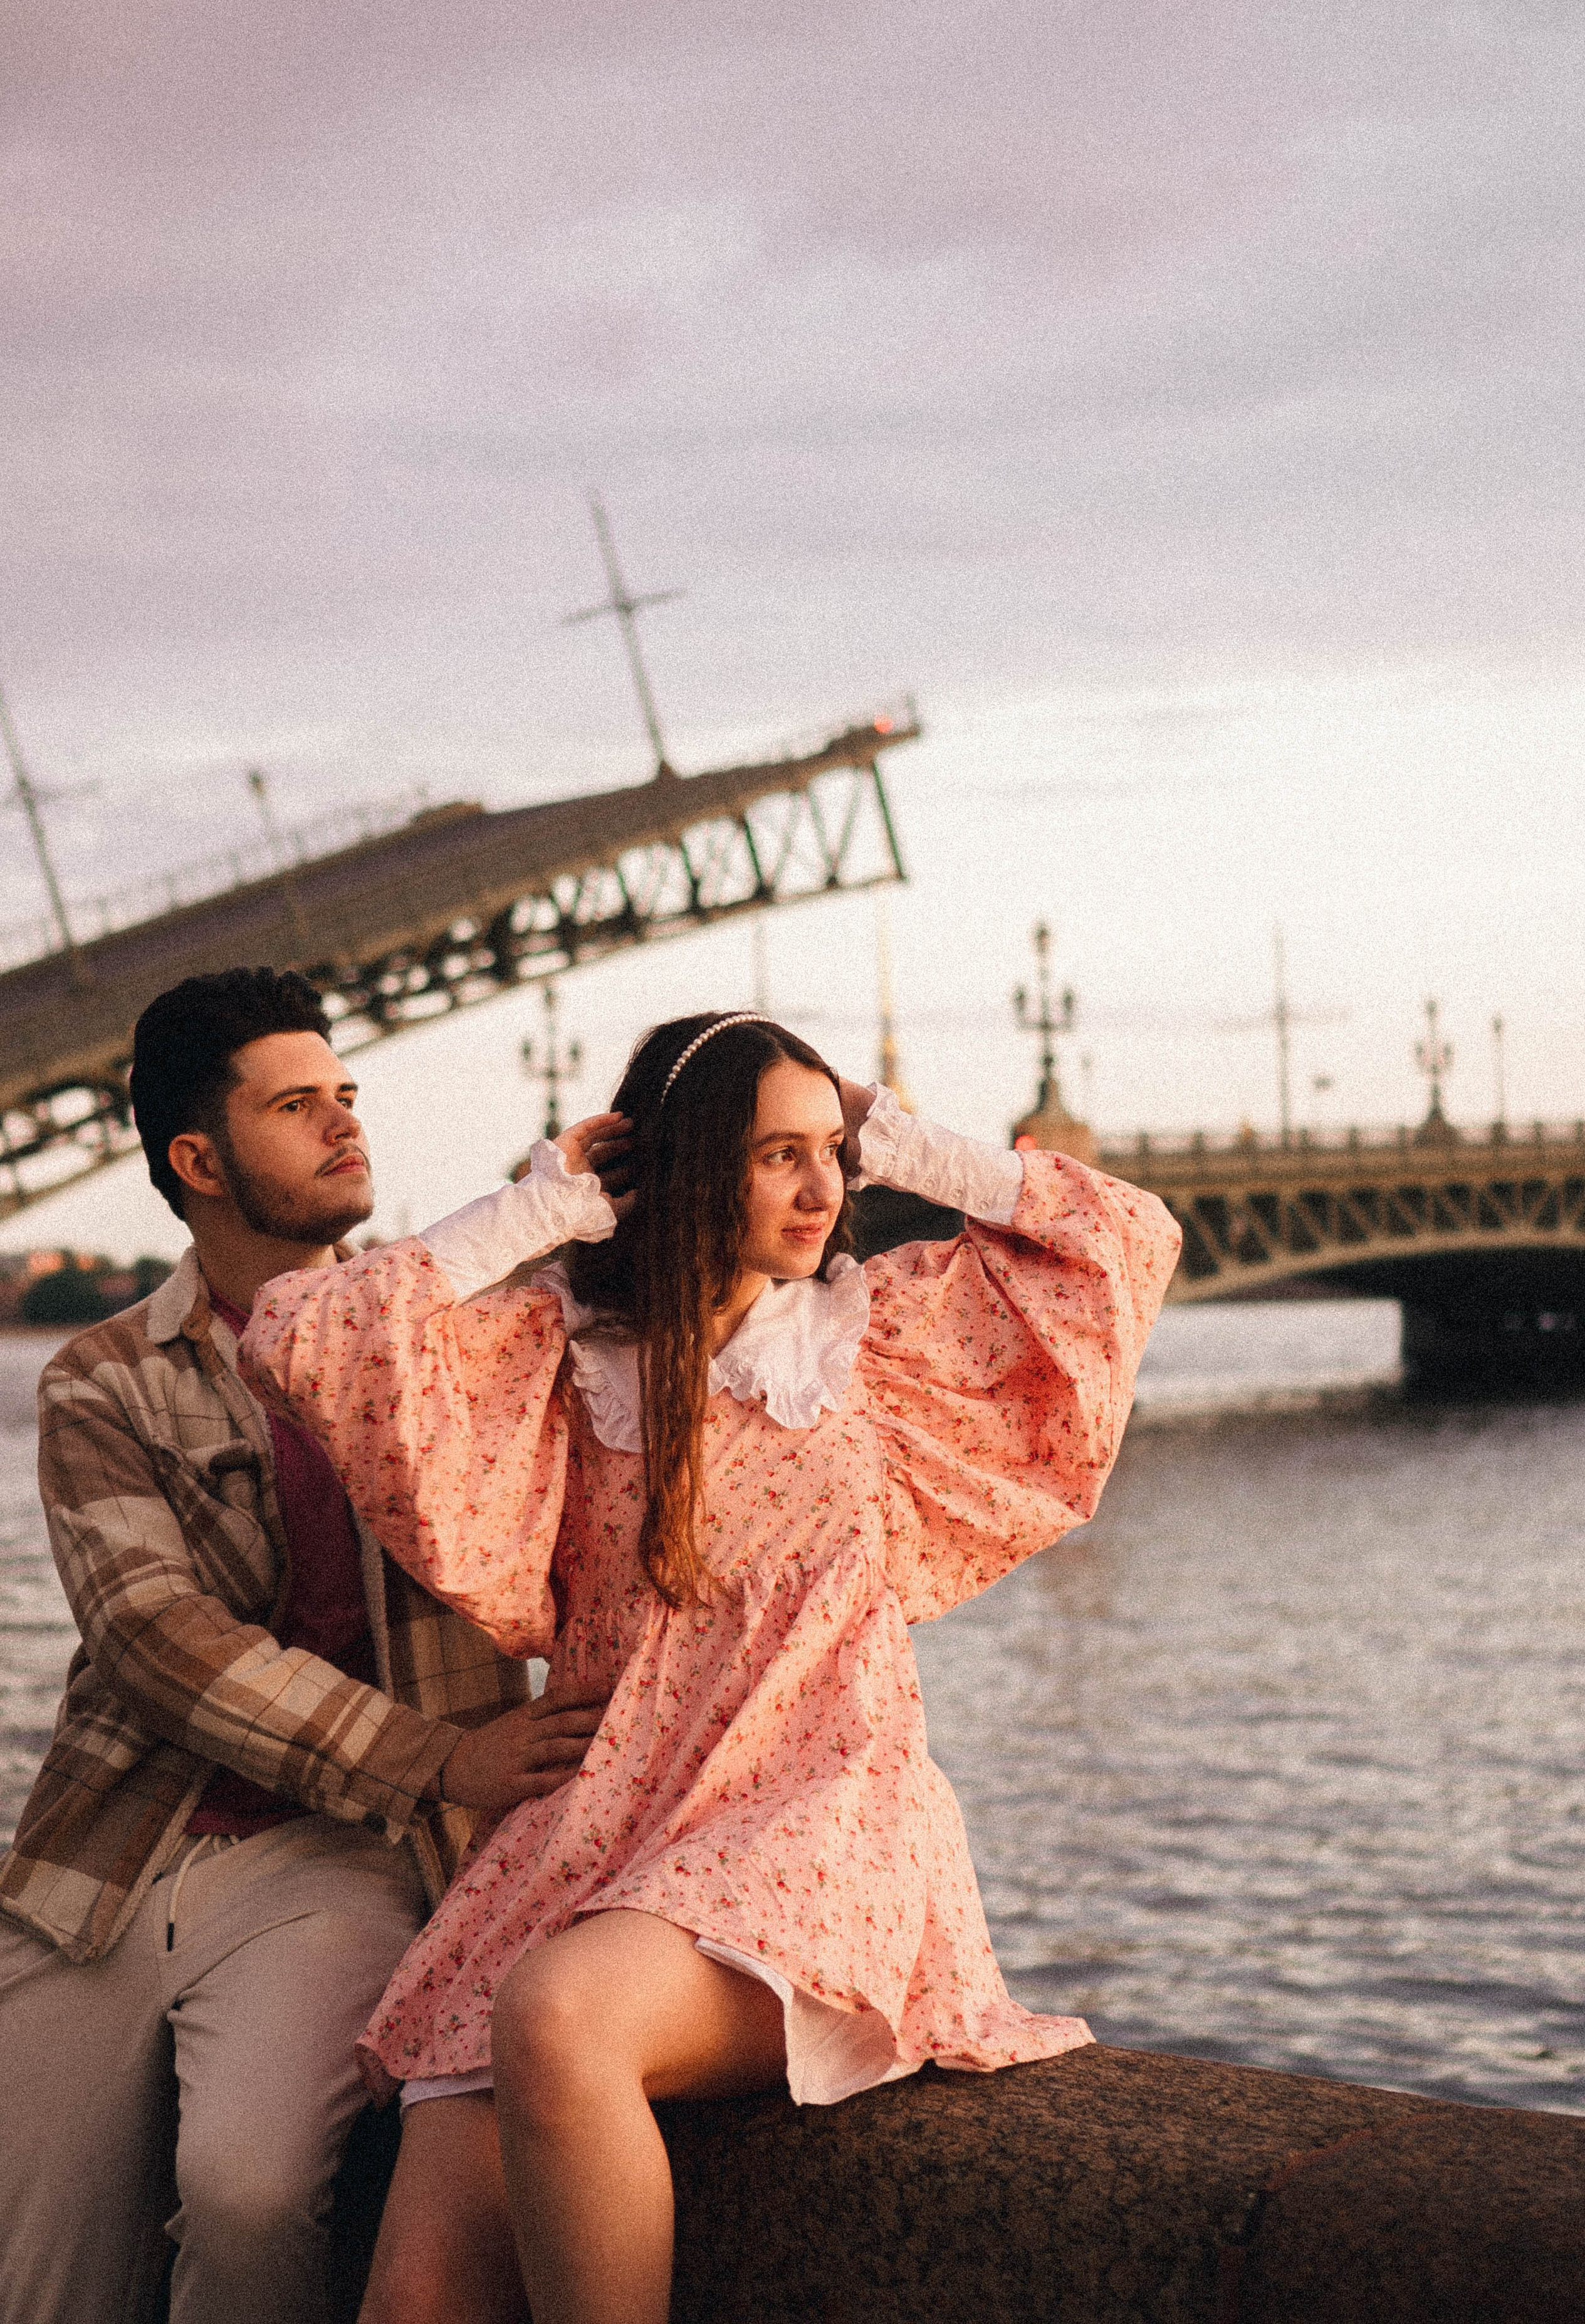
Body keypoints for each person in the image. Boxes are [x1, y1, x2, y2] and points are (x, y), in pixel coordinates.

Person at [243, 1010, 1182, 2324]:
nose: (820, 1190)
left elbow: (1124, 1239)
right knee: (412, 2296)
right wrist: (542, 1205)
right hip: (600, 1840)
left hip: (815, 1829)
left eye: (827, 1154)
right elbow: (307, 1331)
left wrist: (896, 1135)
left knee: (561, 2020)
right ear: (685, 1169)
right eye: (774, 1156)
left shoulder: (873, 1345)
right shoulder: (558, 1361)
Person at [0, 966, 603, 2324]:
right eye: (295, 1107)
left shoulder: (448, 1342)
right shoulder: (103, 1377)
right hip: (105, 1857)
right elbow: (158, 1639)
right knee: (36, 2272)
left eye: (345, 1096)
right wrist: (441, 1757)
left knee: (249, 2195)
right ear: (198, 1159)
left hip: (338, 1857)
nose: (345, 1128)